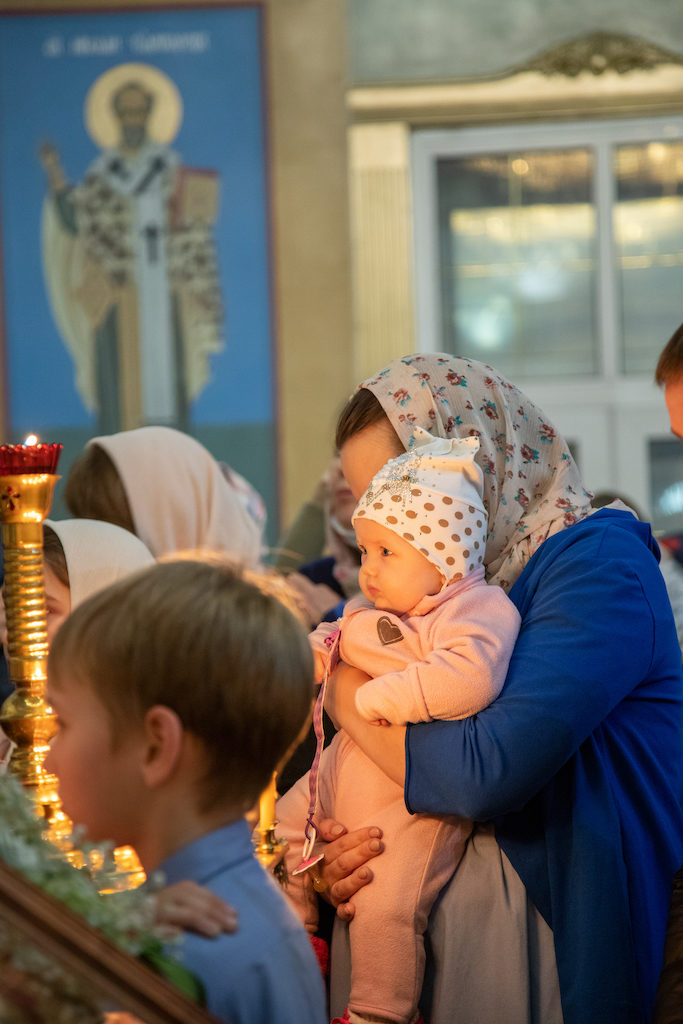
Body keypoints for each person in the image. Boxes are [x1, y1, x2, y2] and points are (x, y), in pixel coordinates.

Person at [304, 353, 683, 1024]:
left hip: (543, 951)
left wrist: (338, 692)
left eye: (399, 495)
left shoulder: (598, 567)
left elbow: (481, 772)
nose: (383, 536)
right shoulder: (426, 597)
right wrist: (343, 852)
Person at [278, 429, 520, 1024]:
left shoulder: (476, 610)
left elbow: (469, 679)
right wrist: (310, 657)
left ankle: (377, 1011)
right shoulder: (375, 608)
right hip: (344, 766)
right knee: (283, 822)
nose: (369, 571)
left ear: (444, 557)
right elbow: (334, 635)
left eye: (387, 552)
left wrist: (378, 696)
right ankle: (296, 931)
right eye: (365, 552)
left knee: (386, 905)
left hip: (406, 805)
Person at [44, 558, 326, 1024]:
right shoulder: (184, 918)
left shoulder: (184, 952)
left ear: (156, 747)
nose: (48, 759)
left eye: (63, 723)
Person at [40, 69, 223, 433]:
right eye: (126, 113)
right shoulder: (103, 175)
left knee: (170, 381)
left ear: (150, 115)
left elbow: (195, 236)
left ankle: (173, 449)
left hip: (166, 295)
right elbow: (77, 222)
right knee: (119, 387)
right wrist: (56, 177)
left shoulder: (171, 171)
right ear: (116, 118)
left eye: (139, 112)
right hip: (121, 298)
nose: (133, 121)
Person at [63, 425, 264, 568]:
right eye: (85, 528)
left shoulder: (246, 614)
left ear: (178, 520)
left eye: (118, 531)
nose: (92, 550)